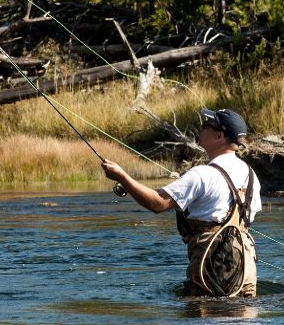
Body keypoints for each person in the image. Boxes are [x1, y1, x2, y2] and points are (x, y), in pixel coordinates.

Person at [101, 108, 261, 297]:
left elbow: (157, 203)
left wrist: (122, 177)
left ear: (219, 136)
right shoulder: (250, 174)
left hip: (211, 264)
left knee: (203, 319)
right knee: (243, 323)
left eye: (205, 125)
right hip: (246, 265)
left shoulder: (203, 174)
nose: (200, 128)